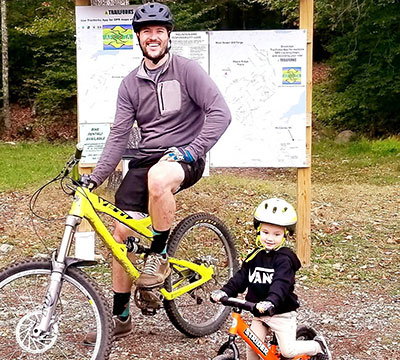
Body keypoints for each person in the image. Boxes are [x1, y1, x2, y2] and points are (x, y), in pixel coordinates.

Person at [84, 2, 231, 344]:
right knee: (120, 235)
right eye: (146, 31)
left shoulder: (187, 70)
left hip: (184, 157)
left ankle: (159, 256)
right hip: (146, 160)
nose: (153, 37)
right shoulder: (130, 84)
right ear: (138, 38)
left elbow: (220, 114)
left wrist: (193, 149)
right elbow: (119, 136)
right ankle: (121, 316)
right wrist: (95, 177)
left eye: (159, 32)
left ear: (168, 37)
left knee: (159, 177)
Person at [211, 198, 331, 360]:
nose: (269, 238)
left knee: (287, 351)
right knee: (252, 348)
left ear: (285, 235)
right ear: (258, 230)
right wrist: (225, 291)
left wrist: (271, 301)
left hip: (281, 313)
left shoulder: (284, 259)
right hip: (258, 312)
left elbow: (280, 284)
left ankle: (317, 346)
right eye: (265, 232)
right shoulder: (255, 256)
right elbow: (241, 277)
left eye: (276, 234)